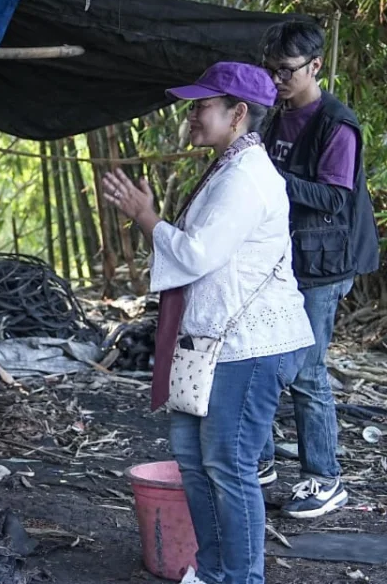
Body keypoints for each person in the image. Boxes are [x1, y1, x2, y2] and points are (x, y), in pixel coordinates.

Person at [103, 62, 314, 584]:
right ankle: (215, 570)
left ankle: (241, 577)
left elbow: (198, 254)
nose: (191, 115)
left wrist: (147, 217)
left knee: (228, 466)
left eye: (202, 105)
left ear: (237, 113)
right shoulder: (227, 167)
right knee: (195, 463)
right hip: (212, 342)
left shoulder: (246, 177)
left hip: (247, 345)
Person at [257, 21, 379, 518]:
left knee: (306, 371)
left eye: (285, 72)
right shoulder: (273, 115)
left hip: (324, 263)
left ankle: (324, 479)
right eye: (271, 72)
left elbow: (333, 197)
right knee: (260, 356)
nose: (277, 81)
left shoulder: (336, 123)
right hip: (283, 256)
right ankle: (261, 460)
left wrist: (270, 178)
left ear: (314, 66)